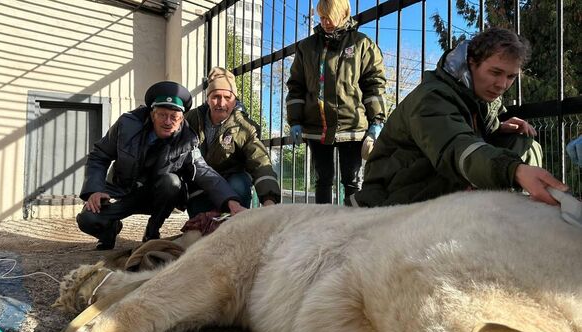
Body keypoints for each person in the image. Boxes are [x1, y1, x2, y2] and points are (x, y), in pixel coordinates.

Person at [347, 27, 568, 208]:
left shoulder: (482, 99)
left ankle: (521, 211)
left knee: (522, 143)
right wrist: (514, 171)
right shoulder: (431, 97)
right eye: (495, 72)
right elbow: (455, 146)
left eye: (511, 76)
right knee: (503, 163)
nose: (502, 85)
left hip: (437, 183)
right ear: (472, 63)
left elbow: (470, 135)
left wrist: (497, 129)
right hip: (394, 193)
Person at [76, 81, 245, 250]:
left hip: (155, 196)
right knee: (88, 219)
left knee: (172, 183)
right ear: (152, 115)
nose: (168, 121)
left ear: (181, 120)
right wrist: (95, 189)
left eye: (174, 117)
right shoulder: (127, 125)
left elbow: (205, 172)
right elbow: (100, 155)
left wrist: (231, 201)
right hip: (122, 190)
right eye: (162, 115)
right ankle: (109, 231)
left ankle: (152, 232)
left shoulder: (187, 140)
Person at [286, 0, 387, 204]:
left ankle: (353, 226)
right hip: (317, 125)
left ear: (342, 14)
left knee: (352, 180)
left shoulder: (361, 44)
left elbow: (374, 84)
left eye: (329, 16)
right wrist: (294, 120)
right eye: (321, 17)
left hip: (352, 126)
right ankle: (323, 229)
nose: (325, 22)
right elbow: (296, 85)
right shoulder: (306, 47)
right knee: (322, 179)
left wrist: (377, 120)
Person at [185, 67, 280, 217]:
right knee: (201, 225)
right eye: (216, 96)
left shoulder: (246, 128)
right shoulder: (190, 120)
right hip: (201, 183)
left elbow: (260, 162)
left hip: (234, 182)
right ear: (207, 98)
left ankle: (236, 222)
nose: (221, 103)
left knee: (239, 183)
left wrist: (269, 200)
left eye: (227, 97)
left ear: (235, 100)